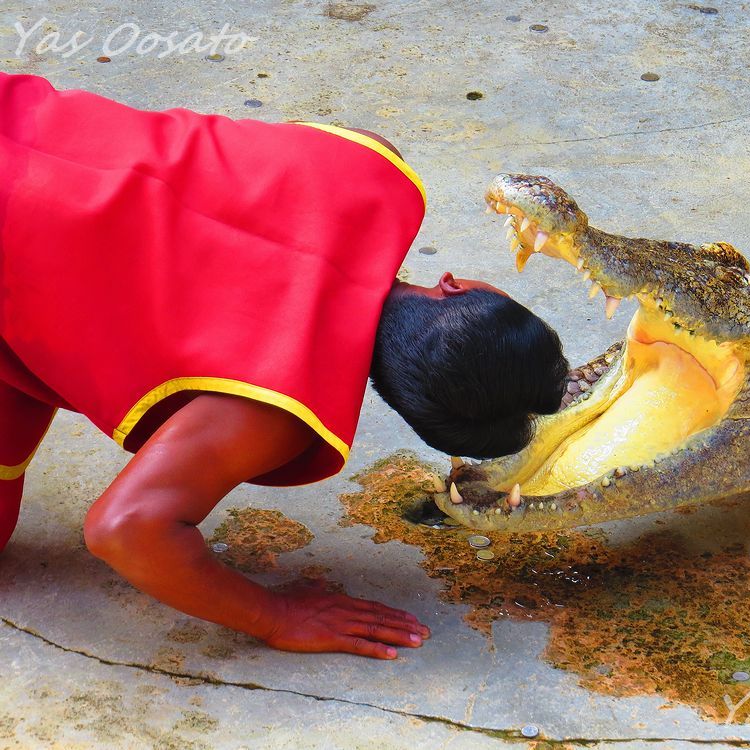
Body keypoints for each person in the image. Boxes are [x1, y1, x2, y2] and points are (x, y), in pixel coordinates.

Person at [0, 73, 568, 659]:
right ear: (407, 402)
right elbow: (125, 530)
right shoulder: (272, 411)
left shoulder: (366, 164)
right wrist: (273, 617)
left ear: (455, 286)